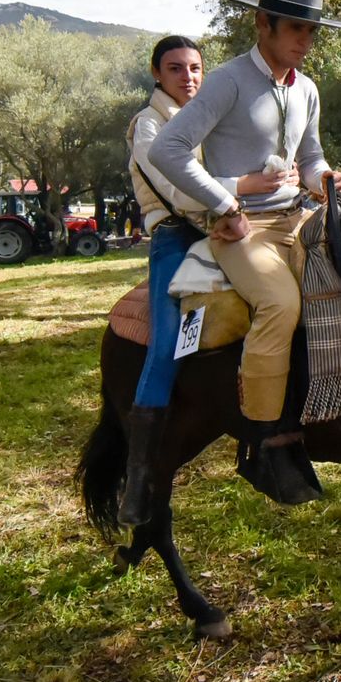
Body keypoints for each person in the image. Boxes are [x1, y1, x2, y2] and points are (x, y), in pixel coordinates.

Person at [149, 0, 341, 505]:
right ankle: (266, 441)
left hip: (298, 219)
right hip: (240, 229)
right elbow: (167, 149)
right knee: (281, 303)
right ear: (262, 25)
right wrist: (224, 203)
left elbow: (310, 158)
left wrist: (325, 180)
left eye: (313, 31)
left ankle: (329, 414)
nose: (306, 41)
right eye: (296, 29)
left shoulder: (306, 88)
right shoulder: (228, 81)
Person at [118, 35, 210, 516]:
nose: (188, 77)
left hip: (228, 232)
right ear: (157, 73)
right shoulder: (147, 125)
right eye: (175, 69)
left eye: (195, 68)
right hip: (178, 237)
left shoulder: (207, 120)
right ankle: (140, 476)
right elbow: (176, 190)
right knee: (166, 343)